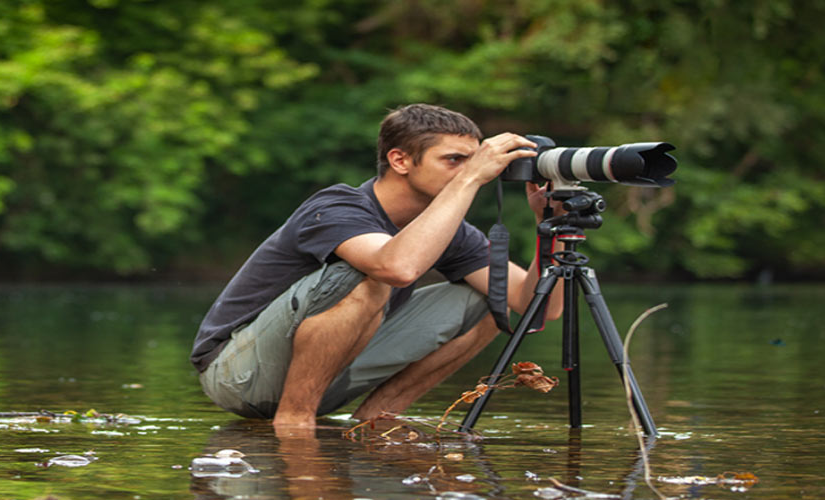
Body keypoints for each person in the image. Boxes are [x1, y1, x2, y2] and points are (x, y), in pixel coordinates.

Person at [189, 104, 563, 429]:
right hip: (238, 374)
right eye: (453, 160)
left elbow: (537, 305)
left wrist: (550, 227)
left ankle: (379, 417)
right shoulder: (337, 206)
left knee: (491, 301)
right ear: (400, 160)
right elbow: (396, 267)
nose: (469, 170)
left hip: (328, 381)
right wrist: (470, 177)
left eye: (472, 159)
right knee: (365, 275)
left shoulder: (450, 230)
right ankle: (294, 423)